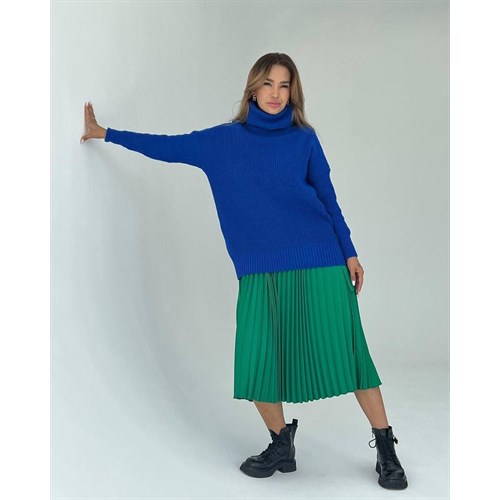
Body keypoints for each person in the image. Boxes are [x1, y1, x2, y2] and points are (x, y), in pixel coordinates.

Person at [81, 52, 408, 490]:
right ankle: (281, 442)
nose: (276, 94)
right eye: (268, 84)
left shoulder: (304, 139)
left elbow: (328, 198)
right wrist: (105, 133)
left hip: (320, 258)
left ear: (293, 92)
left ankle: (386, 449)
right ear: (253, 89)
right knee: (256, 361)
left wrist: (349, 252)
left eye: (284, 85)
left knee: (352, 357)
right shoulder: (223, 141)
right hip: (259, 269)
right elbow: (167, 146)